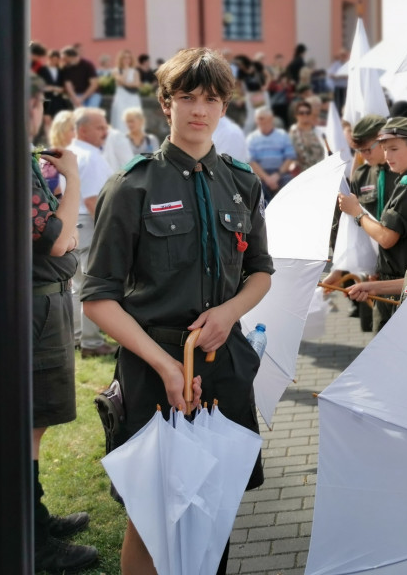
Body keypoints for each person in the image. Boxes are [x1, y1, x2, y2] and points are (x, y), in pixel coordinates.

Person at [82, 48, 274, 575]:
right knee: (150, 517)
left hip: (223, 366)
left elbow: (260, 272)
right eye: (187, 97)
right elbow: (98, 297)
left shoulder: (242, 181)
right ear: (165, 103)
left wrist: (229, 313)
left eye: (212, 99)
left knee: (217, 507)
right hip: (154, 368)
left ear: (225, 106)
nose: (200, 110)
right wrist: (166, 365)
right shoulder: (133, 185)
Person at [0, 76, 98, 572]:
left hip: (35, 306)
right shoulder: (7, 158)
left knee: (32, 424)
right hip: (31, 311)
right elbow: (58, 239)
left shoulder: (5, 155)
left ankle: (34, 519)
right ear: (33, 105)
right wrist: (75, 179)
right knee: (28, 425)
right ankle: (33, 540)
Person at [337, 117, 407, 331]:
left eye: (394, 149)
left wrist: (357, 213)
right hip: (395, 279)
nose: (388, 155)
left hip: (403, 284)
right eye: (385, 149)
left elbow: (387, 237)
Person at [322, 114, 394, 332]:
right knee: (379, 334)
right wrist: (341, 270)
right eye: (358, 151)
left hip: (400, 268)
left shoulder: (403, 174)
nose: (363, 156)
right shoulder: (362, 174)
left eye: (367, 149)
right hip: (372, 272)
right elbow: (353, 230)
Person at [68, 107, 115, 358]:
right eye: (99, 127)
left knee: (76, 286)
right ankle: (91, 342)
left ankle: (78, 337)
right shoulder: (91, 156)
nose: (104, 131)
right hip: (89, 223)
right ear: (83, 130)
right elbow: (93, 200)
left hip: (70, 225)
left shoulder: (69, 153)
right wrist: (109, 233)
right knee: (92, 286)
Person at [246, 106, 297, 201]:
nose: (259, 121)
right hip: (260, 175)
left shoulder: (282, 135)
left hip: (281, 173)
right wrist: (267, 179)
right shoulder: (251, 138)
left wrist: (277, 175)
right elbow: (251, 161)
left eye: (262, 118)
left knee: (291, 188)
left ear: (270, 119)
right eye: (257, 119)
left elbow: (289, 157)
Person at [109, 50, 143, 131]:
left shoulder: (135, 72)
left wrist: (125, 83)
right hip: (121, 97)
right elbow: (120, 81)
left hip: (133, 98)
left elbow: (137, 84)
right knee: (121, 119)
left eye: (129, 58)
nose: (127, 60)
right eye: (125, 58)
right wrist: (126, 70)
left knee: (135, 117)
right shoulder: (116, 70)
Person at [288, 99, 326, 172]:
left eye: (307, 112)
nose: (305, 115)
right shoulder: (292, 133)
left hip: (321, 168)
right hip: (303, 172)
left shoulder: (319, 132)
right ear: (296, 115)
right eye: (301, 113)